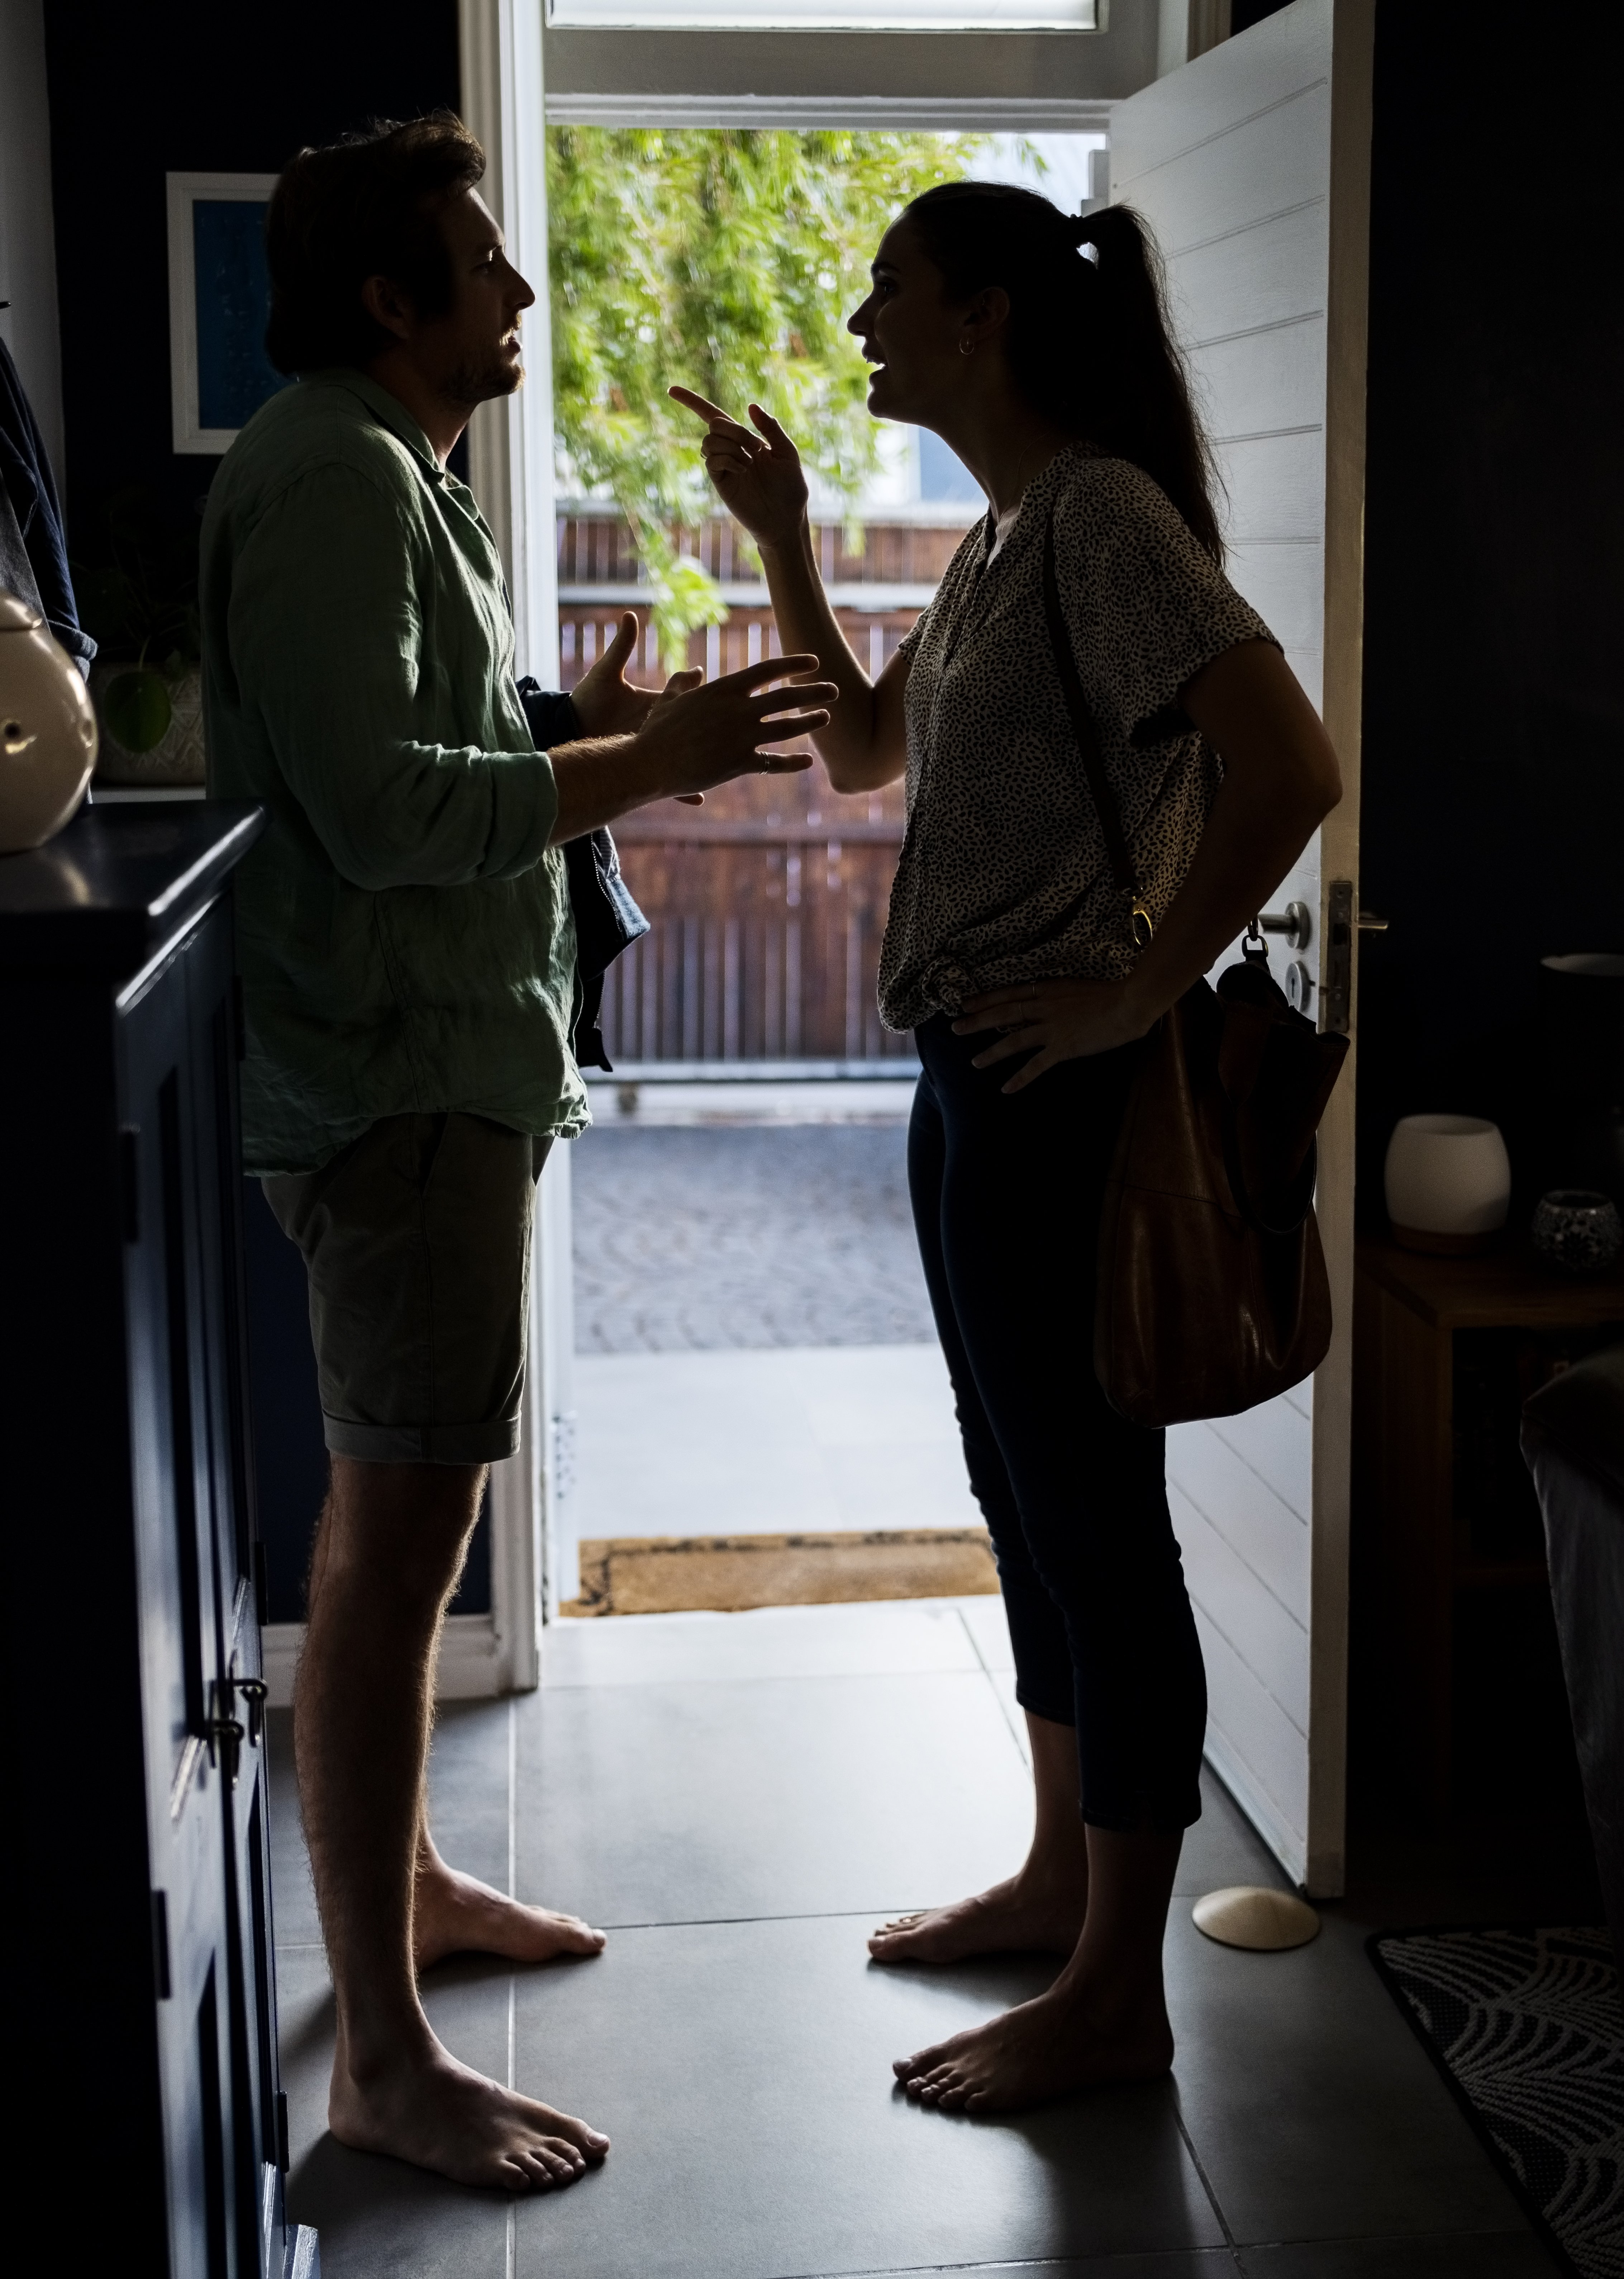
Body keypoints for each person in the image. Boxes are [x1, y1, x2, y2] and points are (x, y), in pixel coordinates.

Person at [201, 115, 834, 2192]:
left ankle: (416, 1891)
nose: (520, 291)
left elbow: (426, 753)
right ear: (391, 299)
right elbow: (385, 815)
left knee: (404, 1551)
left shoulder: (392, 478)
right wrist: (630, 766)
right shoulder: (328, 479)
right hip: (395, 1094)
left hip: (435, 1074)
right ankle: (385, 2056)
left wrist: (576, 731)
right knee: (393, 1568)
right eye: (483, 264)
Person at [674, 181, 1341, 2114]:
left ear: (979, 316)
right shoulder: (1009, 531)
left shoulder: (1105, 519)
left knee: (1096, 1524)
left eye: (889, 290)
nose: (862, 319)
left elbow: (1293, 766)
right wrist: (788, 546)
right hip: (969, 1077)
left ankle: (1117, 1990)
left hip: (1063, 1084)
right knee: (1019, 1486)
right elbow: (866, 754)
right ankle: (1060, 1875)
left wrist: (1143, 988)